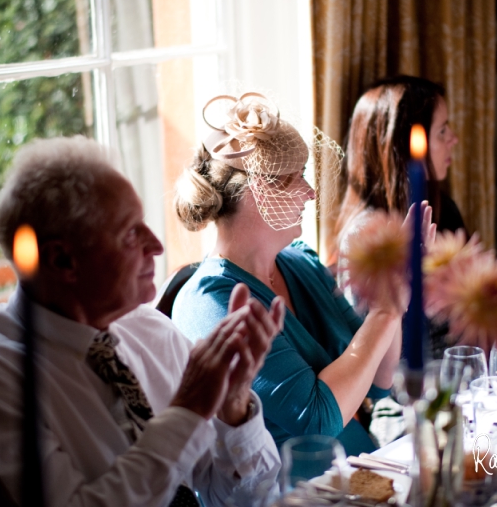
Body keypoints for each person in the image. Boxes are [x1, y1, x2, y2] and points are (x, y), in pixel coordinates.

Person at [0, 136, 284, 507]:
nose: (156, 245)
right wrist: (188, 410)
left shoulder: (150, 332)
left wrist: (234, 405)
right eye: (130, 232)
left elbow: (245, 499)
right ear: (62, 261)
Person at [171, 93, 407, 455]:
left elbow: (379, 381)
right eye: (295, 178)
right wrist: (386, 311)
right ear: (256, 193)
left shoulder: (302, 262)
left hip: (364, 467)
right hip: (294, 489)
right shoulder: (212, 302)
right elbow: (317, 419)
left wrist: (392, 286)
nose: (310, 192)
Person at [333, 75, 460, 359]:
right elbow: (374, 357)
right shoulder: (365, 240)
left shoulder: (443, 210)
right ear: (405, 147)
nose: (454, 139)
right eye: (441, 131)